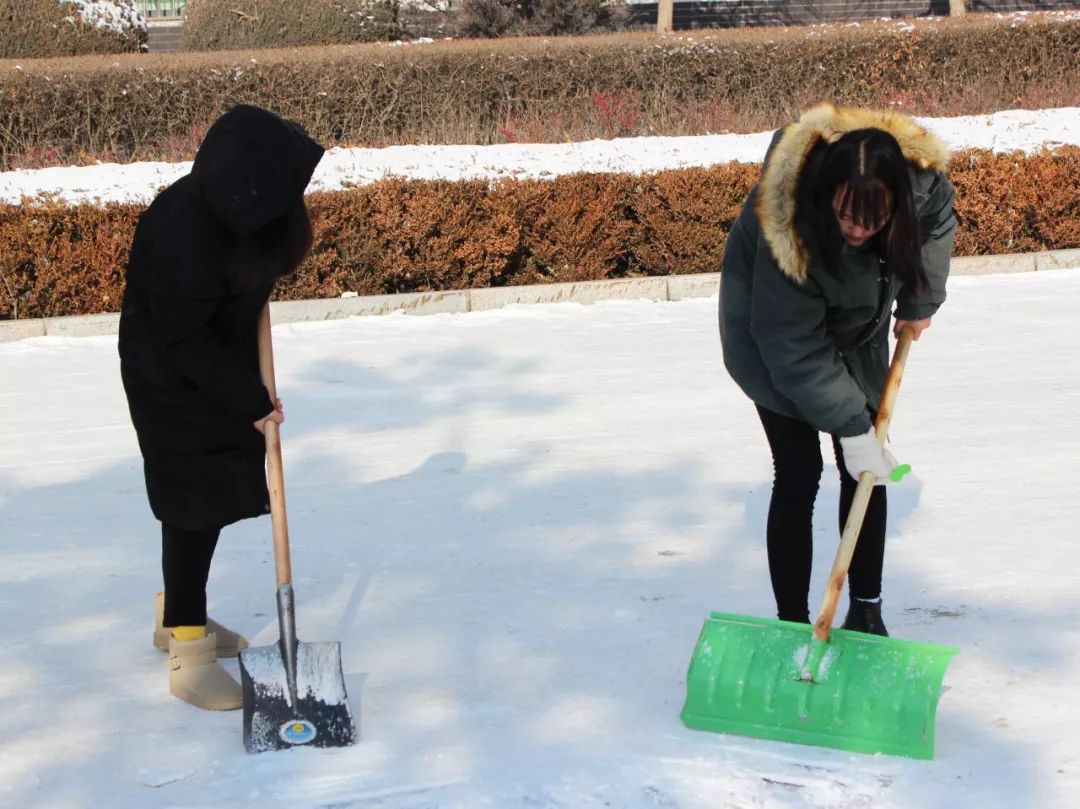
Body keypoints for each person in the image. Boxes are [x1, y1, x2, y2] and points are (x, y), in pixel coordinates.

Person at [718, 103, 957, 636]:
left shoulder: (919, 188)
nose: (857, 229)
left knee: (865, 472)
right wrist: (851, 429)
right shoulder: (790, 226)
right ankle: (792, 624)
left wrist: (920, 299)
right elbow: (792, 345)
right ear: (827, 196)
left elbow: (939, 221)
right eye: (847, 215)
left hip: (859, 323)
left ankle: (866, 612)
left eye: (874, 220)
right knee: (800, 470)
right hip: (769, 337)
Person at [119, 104, 325, 709]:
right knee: (192, 503)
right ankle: (188, 650)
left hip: (203, 363)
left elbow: (223, 301)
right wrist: (251, 400)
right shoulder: (186, 235)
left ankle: (180, 612)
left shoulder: (225, 212)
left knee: (204, 498)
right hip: (170, 378)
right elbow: (184, 337)